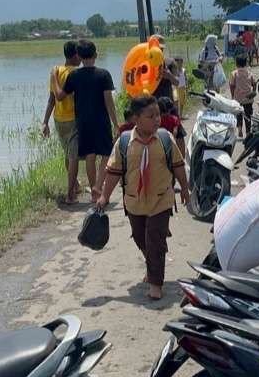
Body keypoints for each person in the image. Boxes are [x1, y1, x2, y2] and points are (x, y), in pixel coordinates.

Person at [96, 96, 190, 300]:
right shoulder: (124, 142)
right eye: (151, 116)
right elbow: (113, 172)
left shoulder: (165, 139)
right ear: (136, 119)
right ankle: (153, 261)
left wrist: (184, 188)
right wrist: (104, 196)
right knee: (140, 236)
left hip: (161, 199)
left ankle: (156, 283)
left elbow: (178, 165)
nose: (157, 120)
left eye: (158, 115)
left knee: (154, 237)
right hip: (134, 201)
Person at [57, 40, 118, 202]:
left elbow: (61, 95)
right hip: (101, 120)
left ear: (80, 56)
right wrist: (116, 123)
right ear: (96, 55)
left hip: (82, 122)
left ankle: (94, 191)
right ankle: (98, 185)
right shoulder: (103, 74)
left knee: (90, 155)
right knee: (106, 153)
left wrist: (54, 79)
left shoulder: (74, 75)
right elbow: (108, 101)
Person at [42, 40, 82, 204]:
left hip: (58, 119)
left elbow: (51, 100)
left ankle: (76, 185)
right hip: (73, 119)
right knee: (73, 157)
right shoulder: (77, 73)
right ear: (75, 55)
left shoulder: (56, 71)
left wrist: (45, 122)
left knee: (68, 154)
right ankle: (70, 193)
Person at [229, 54, 256, 138]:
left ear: (237, 63)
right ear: (245, 63)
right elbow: (254, 83)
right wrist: (253, 92)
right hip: (248, 99)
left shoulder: (234, 73)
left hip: (238, 99)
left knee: (239, 114)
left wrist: (232, 95)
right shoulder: (249, 72)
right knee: (248, 115)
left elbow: (231, 85)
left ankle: (240, 128)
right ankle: (248, 132)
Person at [157, 96, 188, 161]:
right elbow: (175, 132)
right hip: (171, 142)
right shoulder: (174, 119)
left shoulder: (157, 121)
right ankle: (182, 159)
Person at [150, 34, 176, 103]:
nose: (160, 50)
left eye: (161, 48)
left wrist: (170, 76)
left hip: (168, 104)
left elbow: (177, 82)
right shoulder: (146, 65)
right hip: (153, 104)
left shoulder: (169, 62)